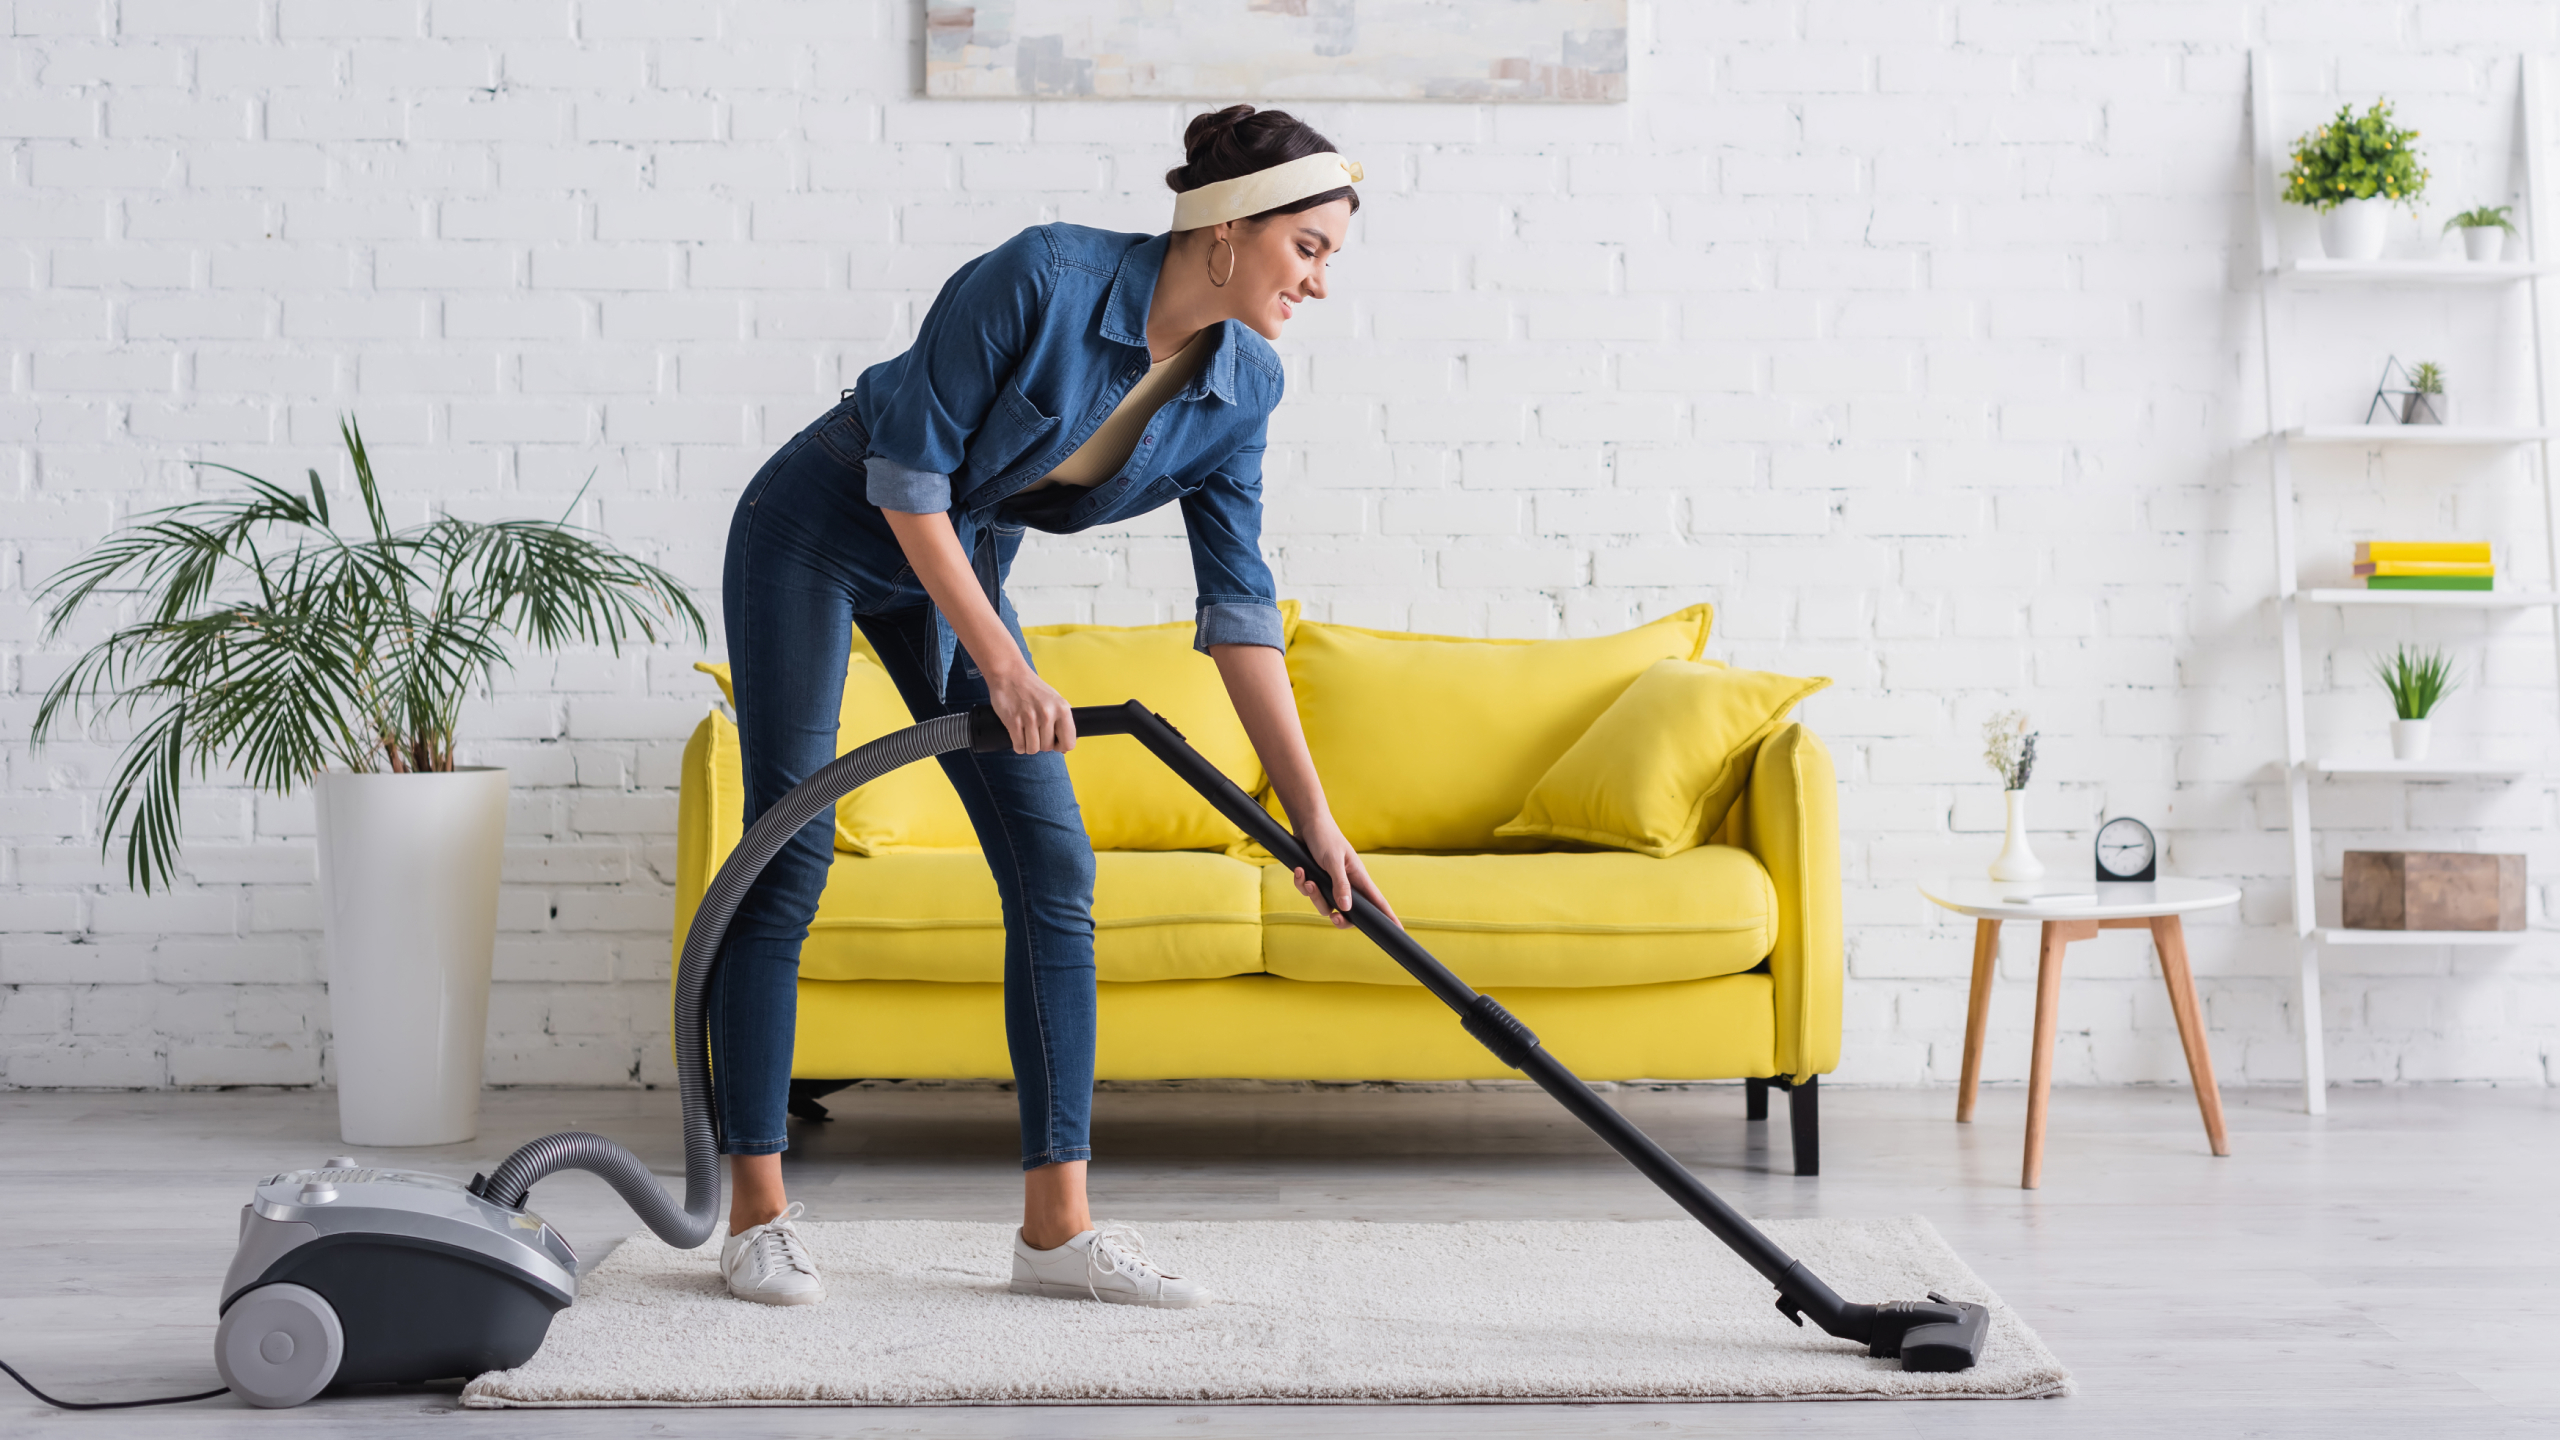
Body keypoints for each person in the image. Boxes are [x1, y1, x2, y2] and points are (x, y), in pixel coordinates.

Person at [713, 105, 1396, 1307]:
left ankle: (1054, 1236)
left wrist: (1314, 824)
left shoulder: (1244, 386)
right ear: (1228, 231)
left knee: (1052, 867)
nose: (1323, 284)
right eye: (1310, 249)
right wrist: (1006, 666)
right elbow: (908, 474)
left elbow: (1238, 608)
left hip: (957, 558)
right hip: (818, 531)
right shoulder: (1043, 275)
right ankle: (756, 1214)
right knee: (791, 848)